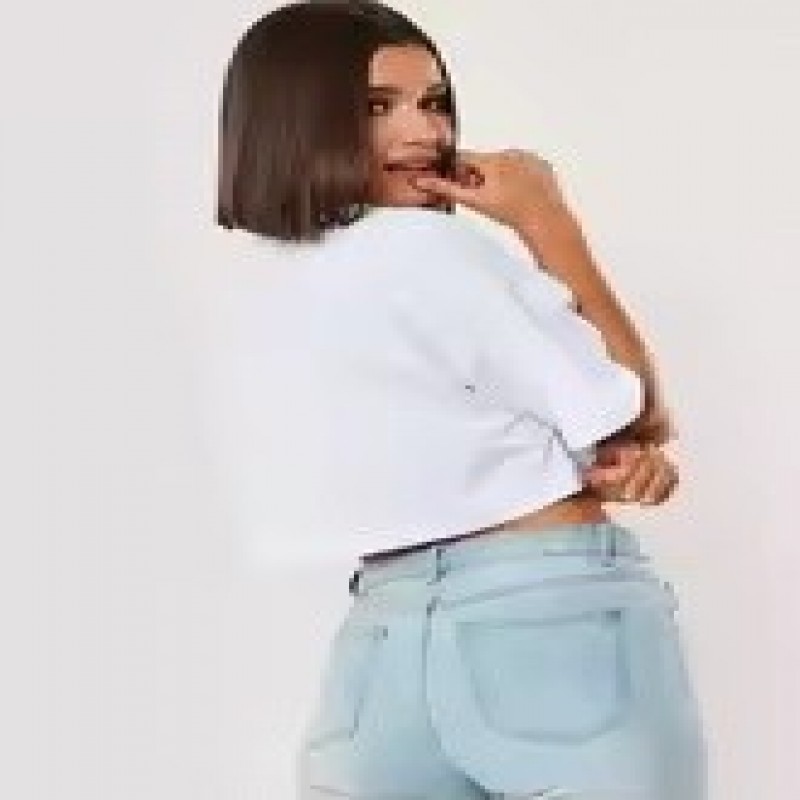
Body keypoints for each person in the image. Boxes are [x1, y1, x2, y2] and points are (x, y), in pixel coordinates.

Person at [213, 2, 708, 798]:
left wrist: (601, 456)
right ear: (298, 120)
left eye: (434, 102)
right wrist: (546, 218)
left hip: (375, 657)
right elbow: (631, 407)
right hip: (547, 624)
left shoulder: (255, 282)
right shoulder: (427, 247)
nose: (424, 133)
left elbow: (438, 432)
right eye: (377, 107)